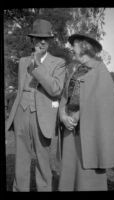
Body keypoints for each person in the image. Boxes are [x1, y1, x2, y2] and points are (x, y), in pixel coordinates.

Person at [6, 19, 66, 192]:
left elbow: (55, 90)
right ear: (32, 40)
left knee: (43, 159)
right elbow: (21, 89)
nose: (42, 41)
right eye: (38, 38)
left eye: (45, 39)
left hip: (43, 116)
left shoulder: (58, 62)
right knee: (21, 159)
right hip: (21, 113)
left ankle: (45, 189)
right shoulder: (23, 61)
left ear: (50, 40)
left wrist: (38, 65)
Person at [57, 33, 114, 191]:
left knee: (88, 181)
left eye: (75, 45)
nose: (72, 48)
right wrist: (62, 115)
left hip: (90, 137)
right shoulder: (77, 70)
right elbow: (65, 97)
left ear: (84, 47)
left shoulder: (101, 71)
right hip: (70, 132)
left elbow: (102, 105)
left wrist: (77, 114)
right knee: (69, 176)